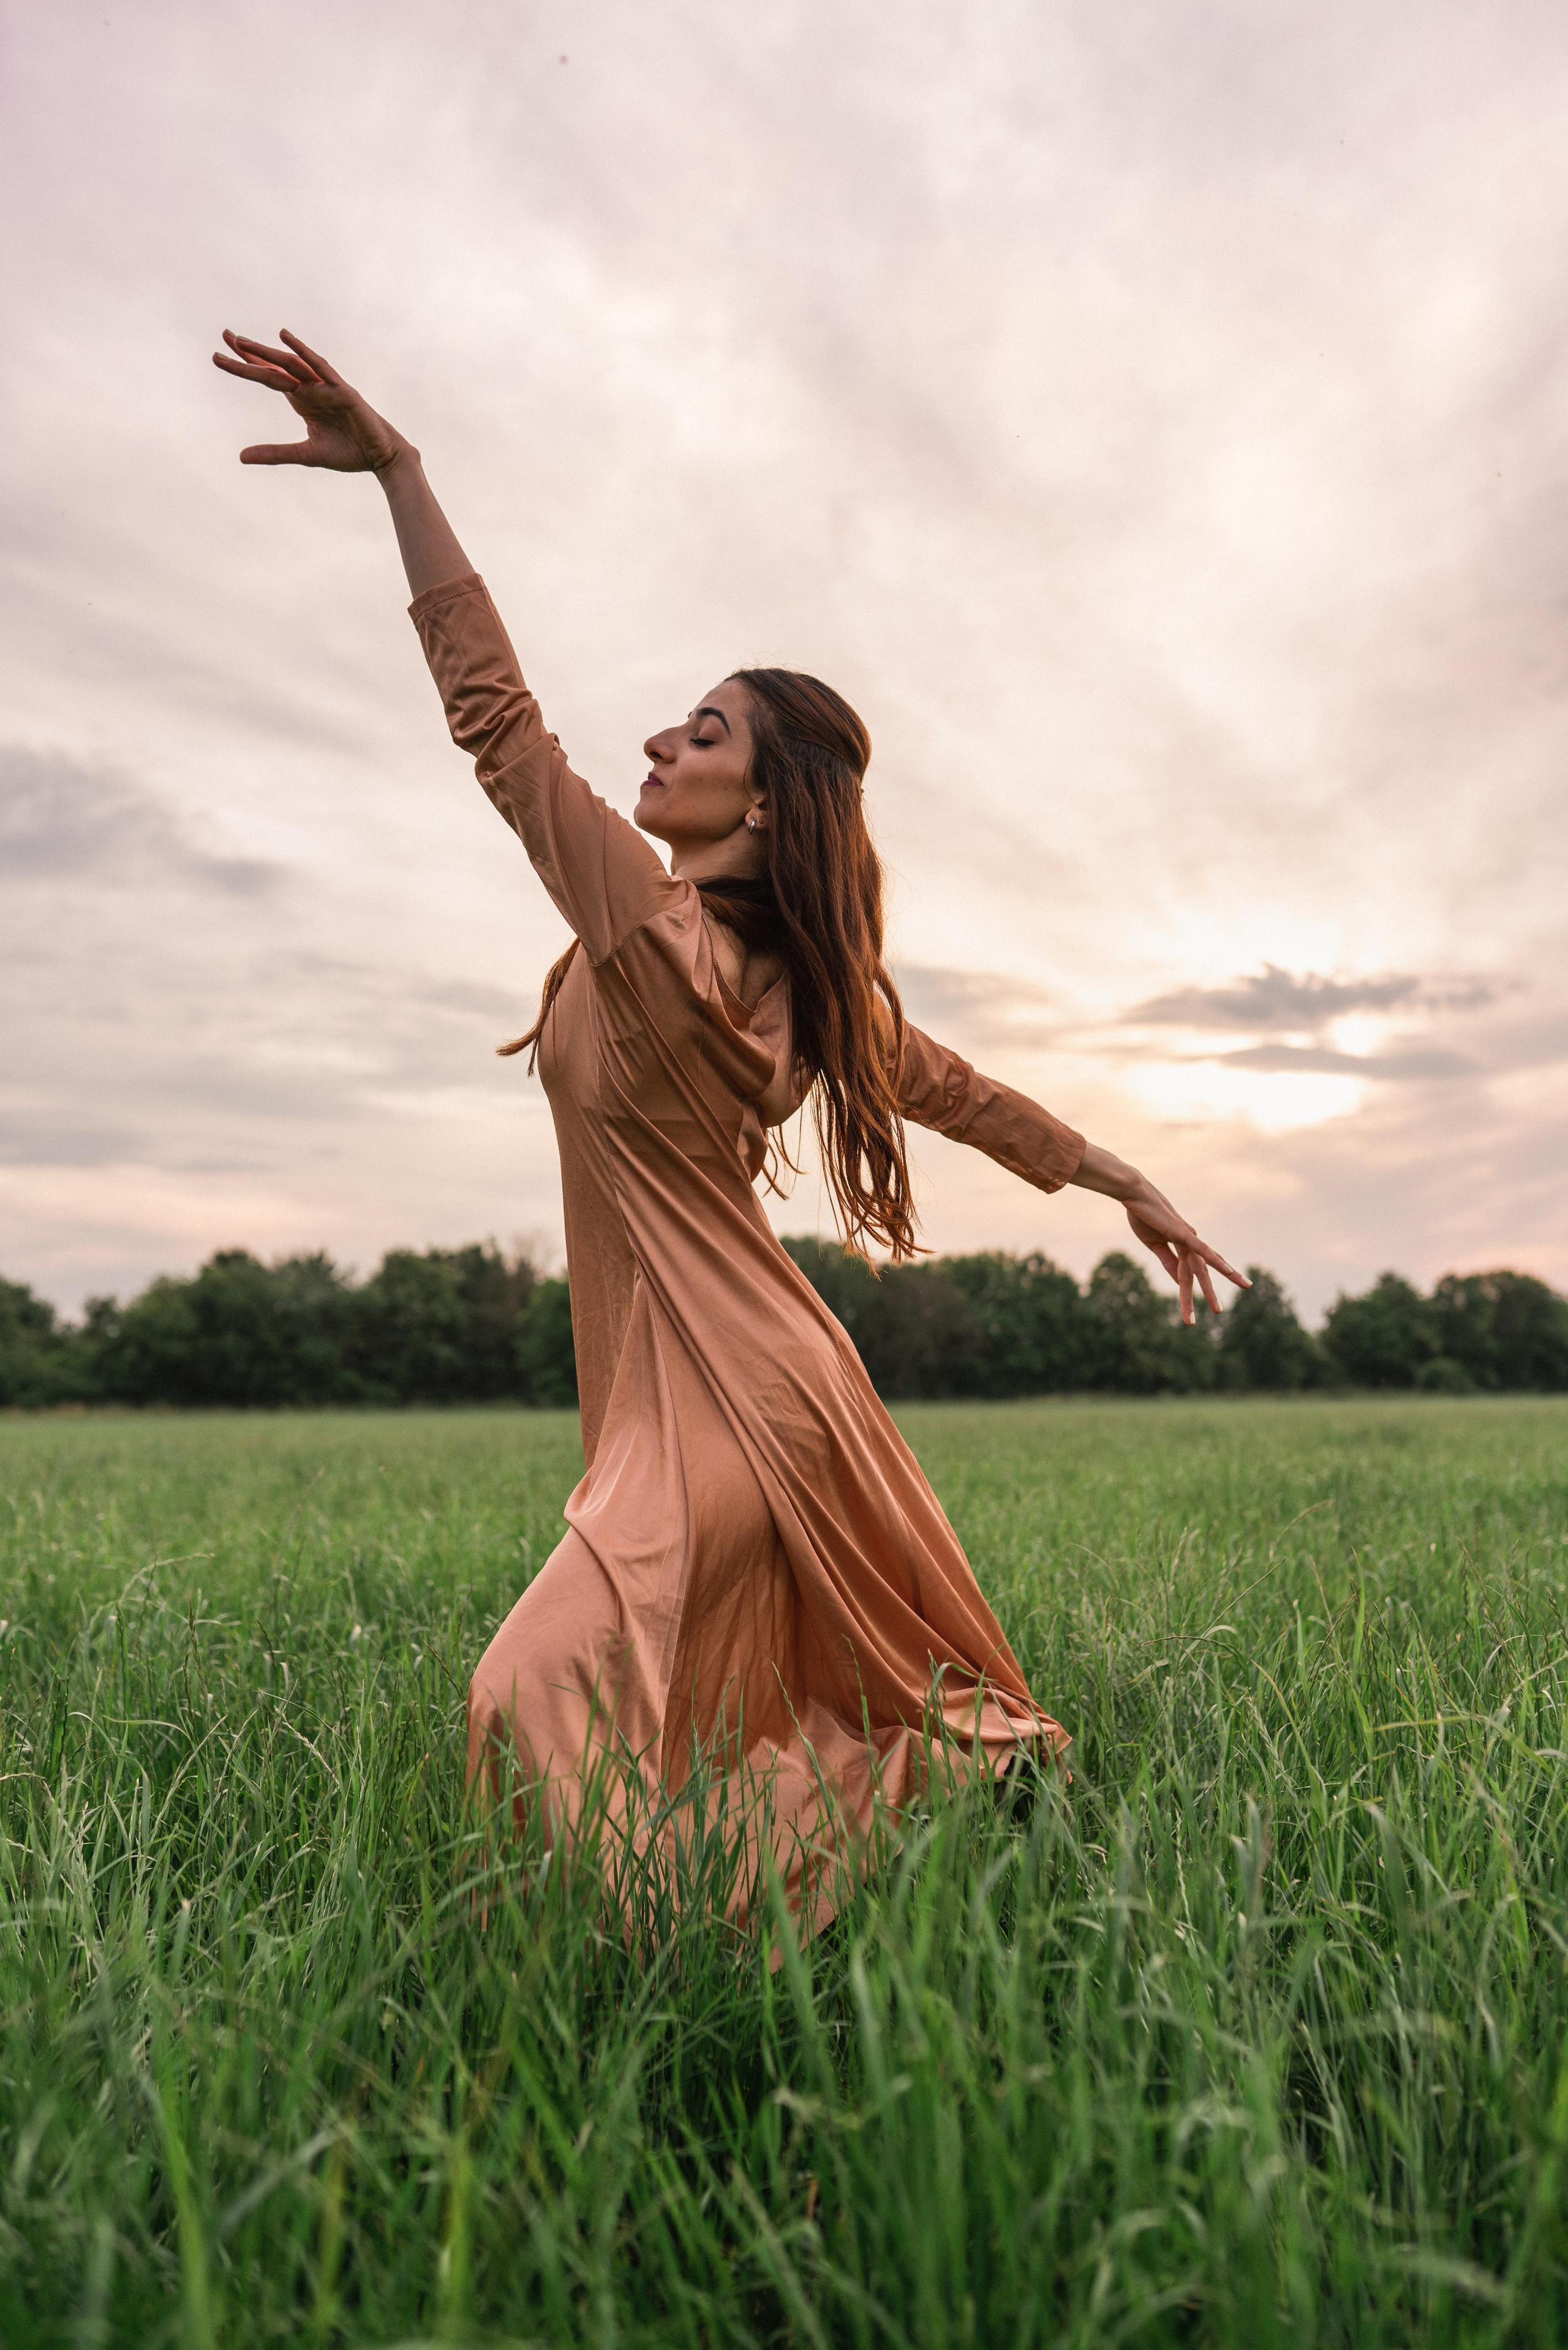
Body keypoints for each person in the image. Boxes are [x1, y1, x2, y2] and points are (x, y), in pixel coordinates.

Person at [214, 328, 1249, 1927]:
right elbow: (961, 1092)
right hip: (764, 1383)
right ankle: (831, 1854)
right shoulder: (797, 984)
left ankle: (682, 1943)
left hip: (722, 1396)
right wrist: (1123, 1181)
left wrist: (402, 477)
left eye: (702, 734)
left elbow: (498, 725)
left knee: (525, 1699)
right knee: (678, 1716)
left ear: (760, 805)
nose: (659, 743)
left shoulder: (650, 937)